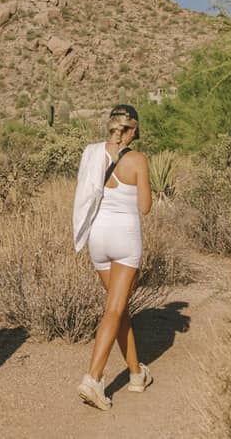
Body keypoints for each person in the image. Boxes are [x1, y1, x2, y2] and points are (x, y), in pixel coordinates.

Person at [72, 104, 153, 410]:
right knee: (114, 309)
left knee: (119, 311)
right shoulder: (137, 159)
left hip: (97, 237)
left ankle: (135, 374)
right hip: (124, 237)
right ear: (133, 130)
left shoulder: (92, 153)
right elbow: (145, 207)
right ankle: (93, 378)